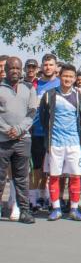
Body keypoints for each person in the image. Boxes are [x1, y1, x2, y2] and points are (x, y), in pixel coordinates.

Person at [39, 64, 81, 221]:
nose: (67, 79)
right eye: (65, 76)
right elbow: (44, 117)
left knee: (75, 176)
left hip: (74, 143)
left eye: (70, 77)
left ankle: (74, 208)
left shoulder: (79, 97)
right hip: (55, 143)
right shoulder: (49, 95)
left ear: (75, 79)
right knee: (54, 176)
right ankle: (56, 208)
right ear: (60, 77)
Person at [0, 57, 38, 223]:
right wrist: (7, 130)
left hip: (23, 139)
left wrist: (20, 129)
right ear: (6, 69)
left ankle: (24, 211)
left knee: (22, 177)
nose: (14, 71)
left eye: (17, 68)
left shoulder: (29, 88)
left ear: (21, 69)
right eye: (11, 68)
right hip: (3, 139)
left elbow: (32, 112)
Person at [29, 53, 60, 211]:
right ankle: (33, 200)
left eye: (51, 64)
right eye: (46, 64)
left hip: (55, 135)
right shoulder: (34, 85)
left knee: (51, 169)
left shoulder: (61, 84)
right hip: (37, 133)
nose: (48, 67)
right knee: (37, 169)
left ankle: (46, 197)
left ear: (56, 67)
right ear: (42, 66)